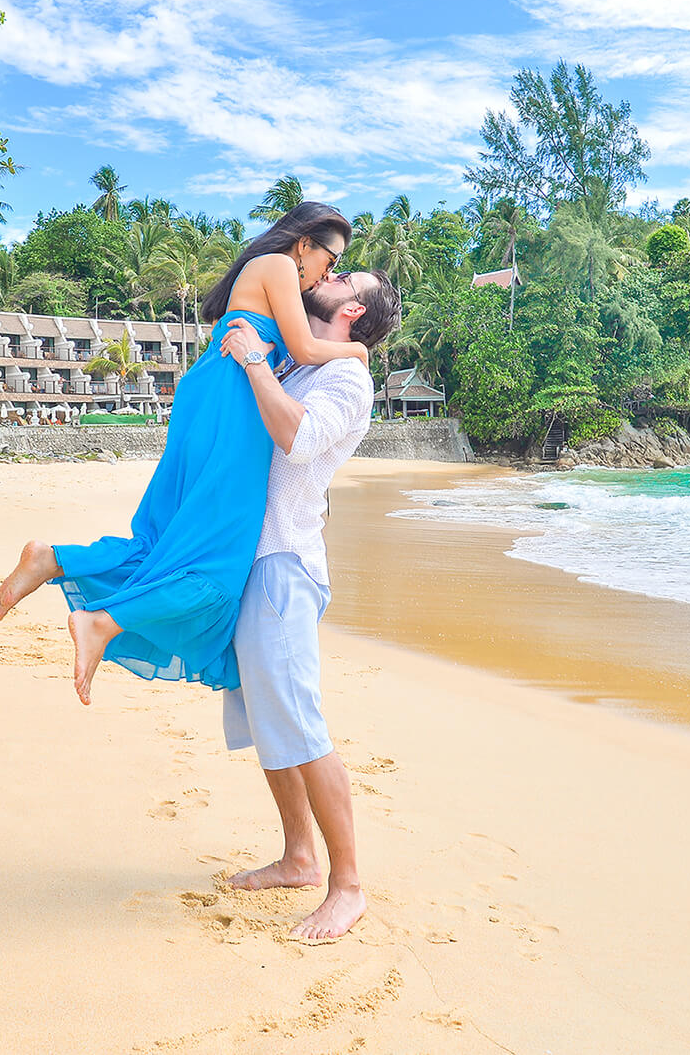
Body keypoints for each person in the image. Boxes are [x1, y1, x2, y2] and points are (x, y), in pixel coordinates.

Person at [0, 203, 371, 704]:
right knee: (216, 564)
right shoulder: (280, 266)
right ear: (305, 244)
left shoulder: (269, 274)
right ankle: (100, 622)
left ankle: (54, 560)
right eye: (331, 257)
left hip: (213, 399)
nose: (330, 270)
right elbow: (303, 350)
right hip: (232, 405)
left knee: (165, 542)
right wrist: (359, 352)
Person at [217, 268, 400, 941]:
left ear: (351, 308)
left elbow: (297, 438)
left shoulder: (347, 379)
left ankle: (347, 885)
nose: (321, 274)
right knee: (271, 722)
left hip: (285, 565)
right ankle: (299, 857)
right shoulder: (305, 362)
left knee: (300, 721)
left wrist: (259, 366)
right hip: (255, 560)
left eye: (341, 275)